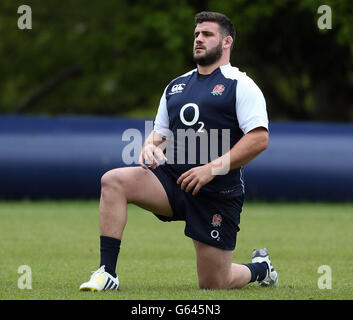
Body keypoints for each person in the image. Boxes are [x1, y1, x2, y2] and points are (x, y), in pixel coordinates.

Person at [79, 11, 278, 291]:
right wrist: (149, 146)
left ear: (226, 42)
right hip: (172, 182)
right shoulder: (176, 86)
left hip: (216, 193)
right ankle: (107, 272)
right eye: (196, 34)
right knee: (113, 180)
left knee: (214, 284)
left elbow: (259, 139)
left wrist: (211, 169)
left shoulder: (241, 85)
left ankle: (261, 268)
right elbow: (159, 134)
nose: (199, 39)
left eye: (207, 34)